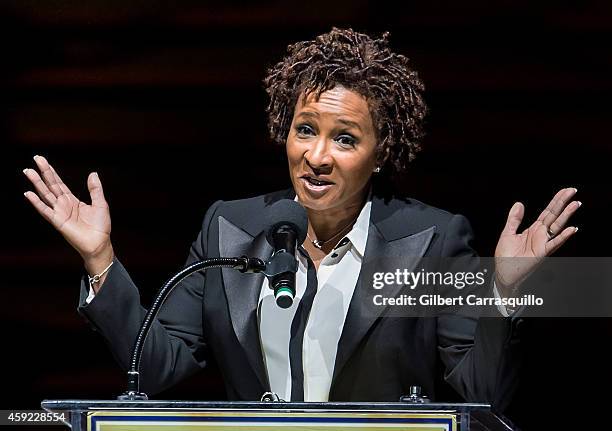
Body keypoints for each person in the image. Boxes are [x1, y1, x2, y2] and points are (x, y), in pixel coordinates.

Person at [22, 28, 580, 406]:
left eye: (345, 138)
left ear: (381, 154)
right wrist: (100, 260)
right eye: (305, 130)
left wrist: (505, 295)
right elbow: (161, 367)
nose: (316, 156)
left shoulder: (428, 242)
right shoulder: (231, 228)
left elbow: (480, 393)